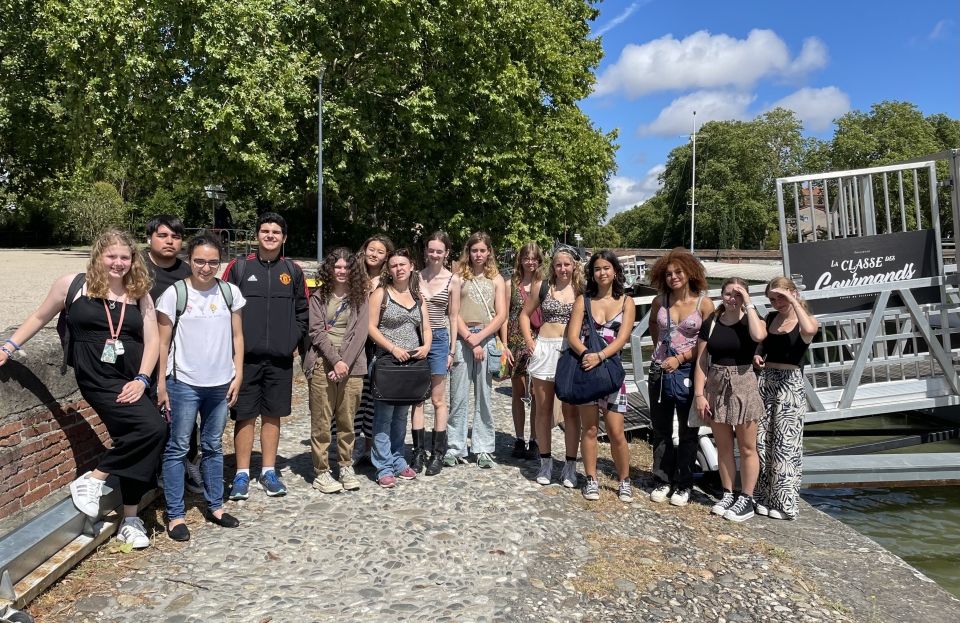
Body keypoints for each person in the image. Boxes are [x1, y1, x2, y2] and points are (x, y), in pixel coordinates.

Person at [0, 229, 167, 549]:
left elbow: (153, 341)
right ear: (98, 256)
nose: (118, 263)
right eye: (112, 256)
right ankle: (95, 479)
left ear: (133, 260)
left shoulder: (139, 292)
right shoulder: (72, 285)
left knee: (138, 437)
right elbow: (39, 316)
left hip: (133, 377)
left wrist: (143, 379)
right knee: (152, 429)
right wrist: (8, 347)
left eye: (125, 257)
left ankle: (130, 519)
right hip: (96, 378)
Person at [156, 231, 245, 540]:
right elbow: (162, 342)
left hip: (220, 384)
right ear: (189, 260)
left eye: (212, 262)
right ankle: (176, 514)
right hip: (183, 384)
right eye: (199, 261)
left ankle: (215, 505)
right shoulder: (175, 294)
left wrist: (239, 374)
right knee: (178, 447)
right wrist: (161, 384)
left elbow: (237, 337)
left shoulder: (229, 292)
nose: (206, 268)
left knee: (212, 446)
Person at [222, 213, 309, 499]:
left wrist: (291, 340)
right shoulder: (239, 267)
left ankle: (269, 471)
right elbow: (224, 308)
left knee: (272, 415)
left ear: (284, 238)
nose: (270, 235)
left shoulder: (293, 271)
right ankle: (242, 474)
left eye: (276, 232)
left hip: (280, 359)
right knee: (244, 416)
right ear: (257, 235)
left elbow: (302, 311)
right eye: (265, 231)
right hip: (245, 359)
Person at [693, 277, 767, 522]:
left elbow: (758, 336)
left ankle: (746, 497)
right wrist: (700, 394)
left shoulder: (750, 320)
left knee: (747, 447)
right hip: (716, 384)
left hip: (744, 383)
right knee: (723, 445)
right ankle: (727, 492)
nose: (732, 299)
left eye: (738, 294)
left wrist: (749, 304)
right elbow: (702, 361)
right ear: (721, 295)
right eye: (728, 294)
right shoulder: (712, 321)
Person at [566, 251, 637, 502]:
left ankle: (624, 480)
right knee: (590, 429)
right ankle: (591, 478)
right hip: (586, 369)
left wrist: (601, 356)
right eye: (597, 269)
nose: (602, 273)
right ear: (592, 273)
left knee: (617, 431)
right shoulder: (582, 301)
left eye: (606, 268)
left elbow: (623, 338)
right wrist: (588, 354)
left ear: (615, 271)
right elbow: (572, 336)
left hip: (611, 371)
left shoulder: (627, 302)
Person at [646, 248, 714, 506]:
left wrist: (682, 358)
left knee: (688, 429)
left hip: (688, 371)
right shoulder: (660, 301)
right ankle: (663, 478)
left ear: (689, 273)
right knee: (661, 428)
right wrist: (659, 349)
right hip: (660, 370)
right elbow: (653, 323)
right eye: (668, 273)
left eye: (678, 272)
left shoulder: (703, 304)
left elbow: (708, 341)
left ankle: (683, 483)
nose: (673, 277)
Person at [142, 215, 203, 494]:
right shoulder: (136, 267)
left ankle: (188, 465)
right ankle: (153, 472)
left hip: (181, 357)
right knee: (152, 418)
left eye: (176, 237)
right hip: (141, 354)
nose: (170, 241)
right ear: (150, 237)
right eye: (163, 235)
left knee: (185, 417)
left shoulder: (186, 272)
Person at [304, 247, 370, 493]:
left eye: (346, 267)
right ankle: (321, 471)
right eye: (337, 266)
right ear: (330, 269)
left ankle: (345, 465)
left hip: (353, 366)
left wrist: (343, 364)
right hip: (323, 363)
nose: (342, 271)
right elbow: (317, 332)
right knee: (321, 421)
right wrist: (335, 361)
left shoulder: (360, 298)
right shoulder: (319, 297)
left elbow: (360, 334)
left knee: (347, 420)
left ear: (353, 270)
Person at [754, 276, 818, 520]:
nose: (777, 303)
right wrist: (758, 356)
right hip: (767, 380)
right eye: (772, 299)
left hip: (789, 385)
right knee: (762, 442)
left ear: (793, 293)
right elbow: (762, 346)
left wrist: (793, 299)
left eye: (780, 297)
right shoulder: (770, 318)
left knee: (785, 446)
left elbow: (810, 330)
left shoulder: (806, 320)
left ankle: (785, 504)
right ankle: (763, 496)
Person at [367, 249, 431, 487]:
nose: (398, 269)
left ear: (411, 266)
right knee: (383, 417)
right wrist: (392, 348)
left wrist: (427, 346)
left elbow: (426, 327)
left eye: (402, 264)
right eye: (393, 266)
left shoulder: (417, 297)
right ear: (389, 270)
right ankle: (382, 466)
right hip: (387, 362)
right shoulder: (381, 294)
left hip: (412, 364)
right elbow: (370, 327)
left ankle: (398, 460)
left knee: (401, 416)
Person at [520, 246, 584, 487]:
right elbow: (525, 315)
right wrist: (530, 342)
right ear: (553, 266)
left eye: (567, 264)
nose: (563, 269)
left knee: (570, 412)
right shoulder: (543, 287)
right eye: (559, 264)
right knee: (543, 408)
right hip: (545, 347)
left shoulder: (582, 290)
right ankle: (545, 462)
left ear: (574, 265)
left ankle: (569, 465)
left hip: (570, 351)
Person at [446, 232, 507, 469]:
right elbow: (454, 312)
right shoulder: (459, 276)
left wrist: (481, 338)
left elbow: (501, 314)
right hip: (463, 337)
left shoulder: (497, 279)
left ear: (489, 252)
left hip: (487, 337)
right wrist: (470, 338)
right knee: (458, 395)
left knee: (484, 396)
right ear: (468, 252)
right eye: (474, 250)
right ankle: (455, 446)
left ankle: (482, 447)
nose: (478, 255)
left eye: (483, 250)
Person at [409, 232, 460, 476]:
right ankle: (418, 451)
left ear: (446, 253)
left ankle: (438, 452)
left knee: (438, 399)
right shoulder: (415, 277)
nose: (435, 255)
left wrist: (451, 350)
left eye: (440, 251)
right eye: (431, 250)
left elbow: (453, 316)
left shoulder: (453, 280)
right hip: (416, 337)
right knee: (417, 397)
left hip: (439, 338)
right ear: (426, 251)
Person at [352, 235, 395, 463]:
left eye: (380, 251)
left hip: (377, 344)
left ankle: (370, 447)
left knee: (373, 396)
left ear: (386, 256)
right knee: (355, 396)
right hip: (355, 343)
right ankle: (350, 446)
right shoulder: (354, 276)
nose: (374, 254)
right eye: (371, 249)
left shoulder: (389, 281)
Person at [502, 242, 543, 460]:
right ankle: (519, 438)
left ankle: (535, 440)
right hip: (516, 341)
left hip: (539, 341)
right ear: (520, 260)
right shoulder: (512, 284)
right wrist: (504, 344)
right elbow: (505, 315)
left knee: (537, 393)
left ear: (539, 261)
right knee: (518, 393)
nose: (530, 261)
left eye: (534, 258)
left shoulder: (544, 284)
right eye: (526, 257)